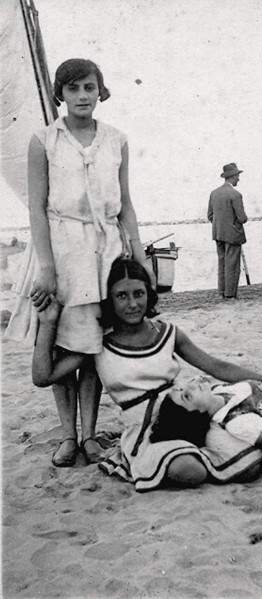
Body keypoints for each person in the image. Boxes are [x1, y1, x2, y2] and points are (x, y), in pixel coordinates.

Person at [31, 257, 262, 492]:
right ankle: (189, 456)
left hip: (187, 414)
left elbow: (216, 367)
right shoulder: (100, 342)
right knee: (189, 469)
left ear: (149, 294)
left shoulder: (167, 333)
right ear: (109, 300)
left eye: (138, 294)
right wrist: (48, 323)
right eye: (121, 296)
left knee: (251, 464)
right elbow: (43, 377)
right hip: (146, 432)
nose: (132, 304)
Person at [6, 58, 153, 468]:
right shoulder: (43, 141)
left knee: (93, 344)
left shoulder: (116, 140)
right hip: (61, 249)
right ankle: (67, 436)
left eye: (89, 88)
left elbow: (124, 204)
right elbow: (37, 208)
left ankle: (89, 436)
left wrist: (138, 253)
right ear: (60, 94)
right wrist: (47, 267)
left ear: (100, 91)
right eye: (73, 89)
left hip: (105, 250)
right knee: (60, 341)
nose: (82, 96)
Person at [207, 163, 247, 299]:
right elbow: (242, 218)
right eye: (238, 176)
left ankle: (222, 292)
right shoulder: (235, 194)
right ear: (234, 177)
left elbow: (210, 215)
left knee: (222, 263)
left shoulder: (214, 193)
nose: (239, 179)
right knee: (232, 265)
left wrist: (222, 224)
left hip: (218, 233)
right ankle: (230, 294)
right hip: (233, 235)